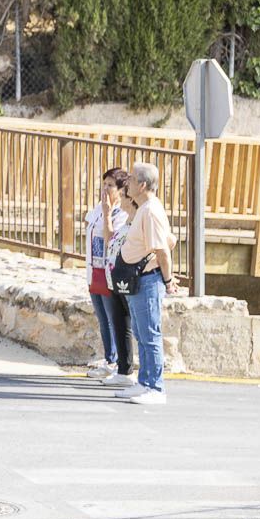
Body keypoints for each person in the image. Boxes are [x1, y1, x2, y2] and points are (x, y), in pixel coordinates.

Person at [117, 161, 180, 405]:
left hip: (147, 280)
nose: (128, 183)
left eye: (132, 179)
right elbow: (170, 239)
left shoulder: (151, 210)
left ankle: (155, 387)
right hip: (138, 279)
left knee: (150, 334)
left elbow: (163, 249)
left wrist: (168, 279)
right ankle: (144, 382)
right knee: (142, 334)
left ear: (142, 185)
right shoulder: (145, 208)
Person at [83, 167, 131, 381]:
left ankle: (117, 362)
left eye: (110, 185)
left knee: (114, 318)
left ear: (121, 190)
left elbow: (111, 237)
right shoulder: (97, 208)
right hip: (94, 270)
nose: (105, 189)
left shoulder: (122, 214)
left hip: (109, 273)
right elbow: (89, 225)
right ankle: (108, 356)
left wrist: (106, 213)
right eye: (104, 184)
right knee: (102, 318)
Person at [102, 192, 137, 389]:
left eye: (124, 196)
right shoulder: (126, 223)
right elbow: (110, 242)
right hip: (115, 281)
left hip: (129, 282)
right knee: (120, 324)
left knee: (136, 328)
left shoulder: (139, 221)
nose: (119, 199)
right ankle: (124, 369)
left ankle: (144, 377)